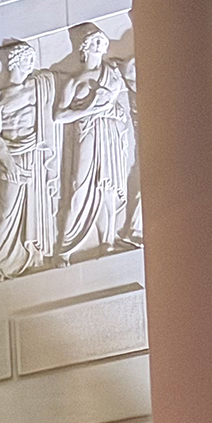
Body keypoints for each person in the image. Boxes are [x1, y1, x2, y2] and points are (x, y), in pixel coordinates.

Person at [54, 25, 137, 256]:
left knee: (108, 187)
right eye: (95, 41)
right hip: (87, 133)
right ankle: (65, 246)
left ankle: (108, 242)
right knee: (80, 186)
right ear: (84, 47)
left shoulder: (112, 72)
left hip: (110, 133)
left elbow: (130, 78)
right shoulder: (75, 81)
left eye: (102, 40)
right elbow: (59, 116)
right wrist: (90, 107)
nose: (101, 44)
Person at [0, 39, 61, 280]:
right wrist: (8, 162)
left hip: (33, 153)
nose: (32, 64)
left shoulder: (37, 87)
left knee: (36, 206)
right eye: (27, 59)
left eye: (33, 60)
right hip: (11, 156)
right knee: (6, 210)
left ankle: (34, 254)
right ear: (14, 62)